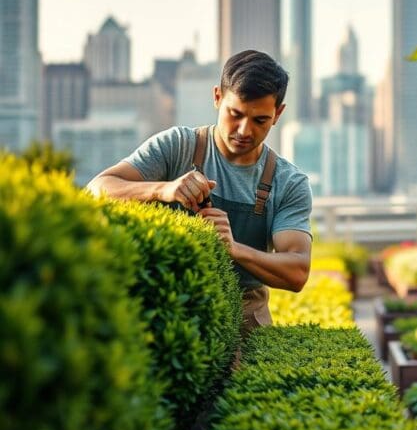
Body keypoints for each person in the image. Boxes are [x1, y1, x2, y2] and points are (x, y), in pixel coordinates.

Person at [87, 50, 312, 332]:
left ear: (278, 114)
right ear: (217, 97)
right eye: (235, 114)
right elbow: (97, 189)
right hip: (165, 308)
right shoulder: (177, 146)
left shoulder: (288, 183)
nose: (244, 130)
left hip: (245, 320)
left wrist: (236, 250)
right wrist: (163, 190)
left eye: (260, 120)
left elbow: (298, 271)